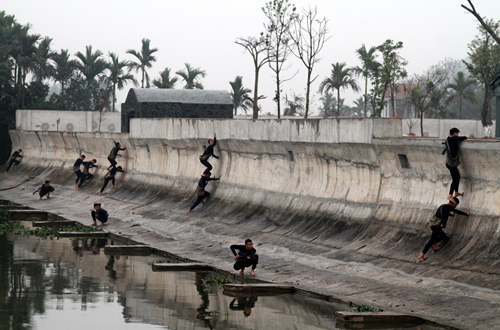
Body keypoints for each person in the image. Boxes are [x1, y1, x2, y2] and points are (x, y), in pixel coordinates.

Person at [418, 197, 470, 262]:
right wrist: (466, 214)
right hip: (436, 226)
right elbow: (457, 211)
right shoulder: (448, 207)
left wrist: (451, 214)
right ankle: (421, 255)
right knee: (431, 240)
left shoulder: (443, 206)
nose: (455, 206)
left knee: (443, 236)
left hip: (434, 225)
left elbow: (441, 214)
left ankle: (433, 244)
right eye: (455, 205)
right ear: (452, 202)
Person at [442, 127, 467, 200]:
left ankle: (456, 192)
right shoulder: (454, 138)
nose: (458, 135)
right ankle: (450, 195)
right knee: (455, 179)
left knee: (457, 177)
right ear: (455, 133)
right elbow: (464, 137)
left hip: (449, 163)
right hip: (452, 164)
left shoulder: (448, 139)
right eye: (457, 133)